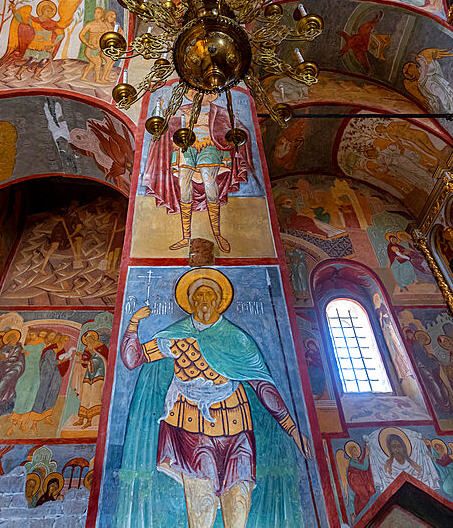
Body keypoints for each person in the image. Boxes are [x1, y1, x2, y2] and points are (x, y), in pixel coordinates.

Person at [117, 268, 311, 527]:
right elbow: (133, 359)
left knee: (239, 502)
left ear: (220, 301)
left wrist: (291, 428)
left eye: (210, 295)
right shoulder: (177, 336)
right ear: (191, 302)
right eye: (198, 296)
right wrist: (133, 325)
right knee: (202, 505)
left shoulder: (237, 340)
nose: (204, 301)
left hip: (236, 426)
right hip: (191, 428)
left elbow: (262, 385)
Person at [143, 91, 252, 252]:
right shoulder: (181, 109)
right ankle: (186, 237)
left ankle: (217, 234)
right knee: (184, 186)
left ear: (211, 96)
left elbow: (237, 128)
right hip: (186, 146)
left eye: (204, 94)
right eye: (195, 94)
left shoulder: (220, 112)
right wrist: (158, 109)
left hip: (209, 147)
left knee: (209, 183)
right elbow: (163, 125)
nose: (199, 97)